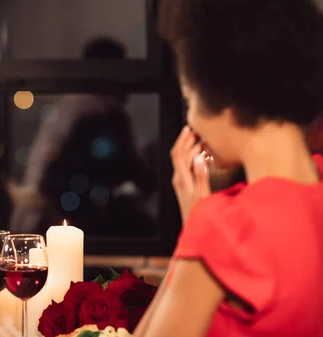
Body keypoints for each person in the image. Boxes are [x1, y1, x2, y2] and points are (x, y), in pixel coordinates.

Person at [133, 0, 323, 336]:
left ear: (226, 97)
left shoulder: (224, 227)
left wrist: (194, 233)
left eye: (190, 101)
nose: (191, 119)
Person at [9, 37, 156, 236]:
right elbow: (133, 172)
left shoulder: (69, 107)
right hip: (59, 226)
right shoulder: (100, 112)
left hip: (32, 225)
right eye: (124, 70)